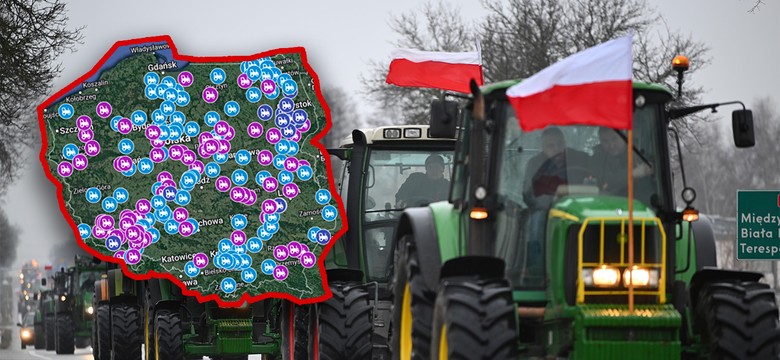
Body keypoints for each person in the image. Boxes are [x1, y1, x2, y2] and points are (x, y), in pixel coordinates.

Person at [589, 127, 653, 195]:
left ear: (623, 136)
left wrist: (651, 168)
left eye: (614, 139)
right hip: (612, 202)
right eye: (605, 141)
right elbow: (605, 183)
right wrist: (633, 173)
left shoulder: (639, 150)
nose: (611, 146)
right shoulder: (597, 159)